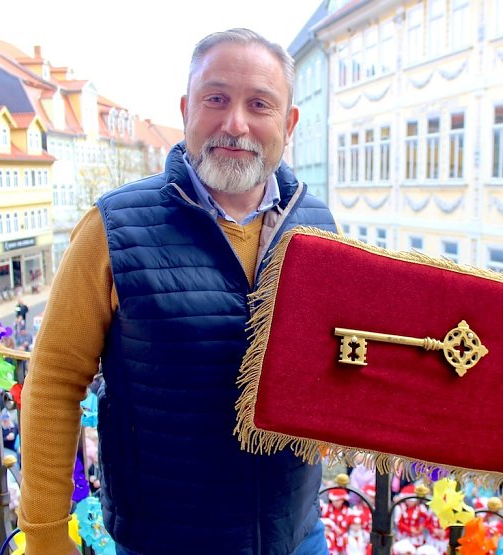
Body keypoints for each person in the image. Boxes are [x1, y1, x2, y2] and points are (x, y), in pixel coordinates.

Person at [17, 28, 337, 555]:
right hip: (165, 541)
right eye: (216, 99)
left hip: (296, 534)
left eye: (259, 104)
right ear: (187, 108)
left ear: (289, 123)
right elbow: (53, 380)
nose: (235, 123)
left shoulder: (319, 225)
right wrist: (47, 537)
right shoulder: (113, 226)